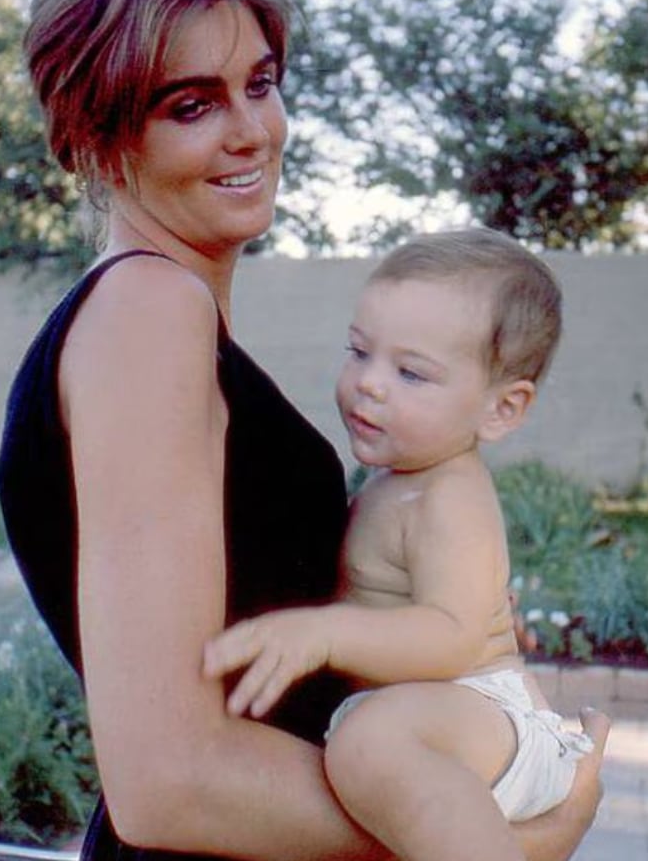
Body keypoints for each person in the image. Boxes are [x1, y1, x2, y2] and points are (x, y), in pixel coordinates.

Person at [0, 0, 610, 859]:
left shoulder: (166, 317)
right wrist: (491, 840)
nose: (253, 131)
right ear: (98, 131)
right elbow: (168, 782)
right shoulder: (149, 315)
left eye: (261, 84)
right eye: (191, 105)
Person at [203, 227, 590, 861]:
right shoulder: (397, 481)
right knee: (364, 742)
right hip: (440, 721)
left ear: (501, 409)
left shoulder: (450, 496)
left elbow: (452, 637)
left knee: (366, 744)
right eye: (359, 352)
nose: (371, 384)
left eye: (411, 373)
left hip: (488, 715)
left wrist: (322, 635)